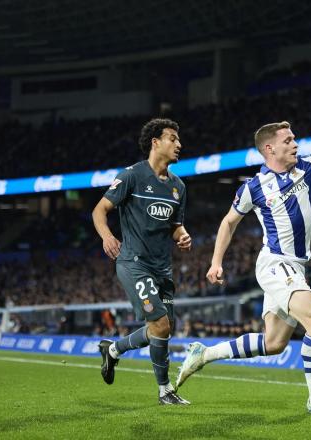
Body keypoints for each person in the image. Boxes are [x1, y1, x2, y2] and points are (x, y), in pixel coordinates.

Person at [176, 91, 311, 414]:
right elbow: (229, 222)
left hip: (296, 267)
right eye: (288, 140)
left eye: (295, 138)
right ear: (269, 149)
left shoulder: (309, 168)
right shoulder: (254, 188)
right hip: (275, 264)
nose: (295, 144)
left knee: (274, 344)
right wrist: (216, 262)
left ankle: (202, 354)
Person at [92, 118, 192, 405]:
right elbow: (100, 210)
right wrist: (107, 237)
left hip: (163, 266)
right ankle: (165, 390)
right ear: (155, 142)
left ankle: (112, 350)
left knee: (161, 329)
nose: (178, 144)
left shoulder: (178, 187)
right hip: (134, 262)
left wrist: (182, 235)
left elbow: (175, 224)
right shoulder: (132, 176)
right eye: (172, 138)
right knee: (160, 324)